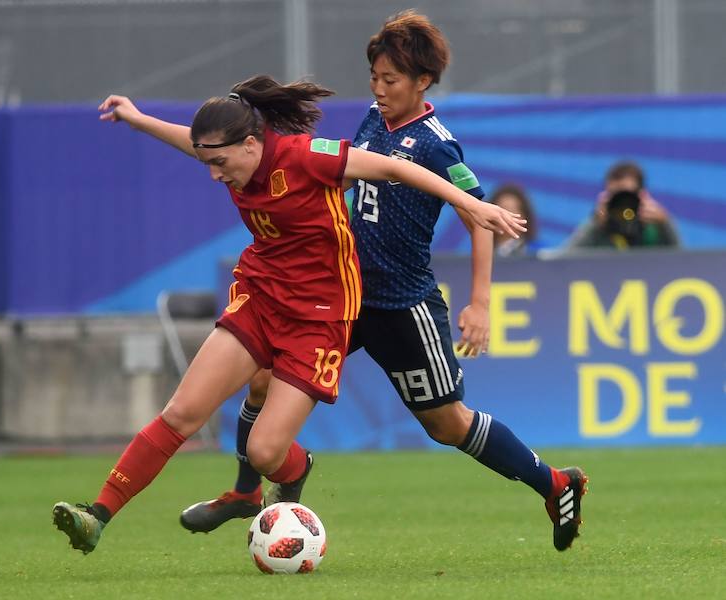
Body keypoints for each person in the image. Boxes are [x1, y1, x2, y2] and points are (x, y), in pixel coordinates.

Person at [52, 74, 526, 555]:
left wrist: (470, 205)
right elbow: (193, 145)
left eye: (219, 163)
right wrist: (137, 120)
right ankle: (97, 516)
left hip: (320, 317)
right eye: (208, 161)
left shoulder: (307, 156)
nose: (214, 174)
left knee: (265, 450)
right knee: (182, 413)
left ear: (252, 145)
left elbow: (396, 170)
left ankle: (293, 471)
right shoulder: (230, 155)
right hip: (262, 297)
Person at [178, 10, 588, 553]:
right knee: (261, 373)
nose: (379, 88)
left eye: (390, 80)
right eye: (374, 77)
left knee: (446, 424)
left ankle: (556, 483)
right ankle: (245, 493)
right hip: (337, 297)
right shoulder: (374, 119)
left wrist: (480, 303)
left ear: (422, 82)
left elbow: (478, 215)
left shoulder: (439, 145)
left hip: (402, 305)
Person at [564, 160, 680, 249]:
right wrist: (595, 222)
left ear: (642, 195)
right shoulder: (598, 226)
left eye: (627, 195)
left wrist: (665, 223)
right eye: (615, 195)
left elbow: (681, 262)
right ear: (606, 197)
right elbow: (564, 262)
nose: (623, 203)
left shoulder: (655, 228)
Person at [488, 183, 542, 257]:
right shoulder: (482, 252)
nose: (508, 216)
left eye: (513, 210)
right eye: (503, 209)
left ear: (524, 216)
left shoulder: (538, 253)